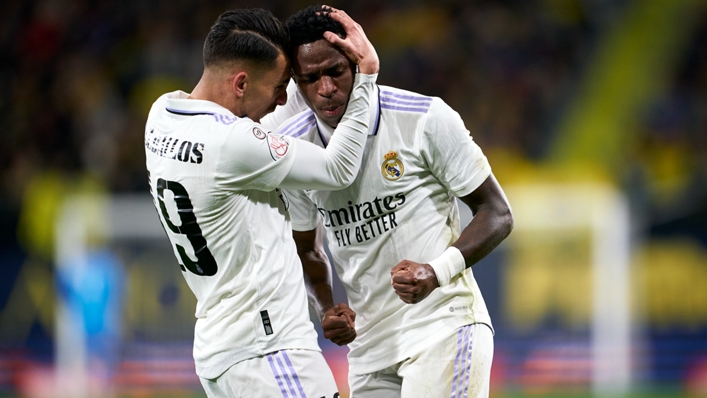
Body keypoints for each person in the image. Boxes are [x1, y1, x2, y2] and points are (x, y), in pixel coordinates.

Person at [280, 5, 514, 397]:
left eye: (335, 71)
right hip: (370, 350)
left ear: (357, 62)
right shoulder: (291, 149)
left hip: (443, 327)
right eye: (310, 78)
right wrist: (326, 307)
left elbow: (497, 212)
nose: (325, 89)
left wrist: (435, 271)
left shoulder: (423, 118)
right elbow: (306, 248)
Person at [144, 7, 379, 397]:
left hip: (221, 352)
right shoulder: (231, 143)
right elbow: (338, 169)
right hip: (269, 351)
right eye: (279, 86)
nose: (284, 98)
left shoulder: (162, 114)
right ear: (240, 84)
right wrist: (366, 75)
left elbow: (250, 135)